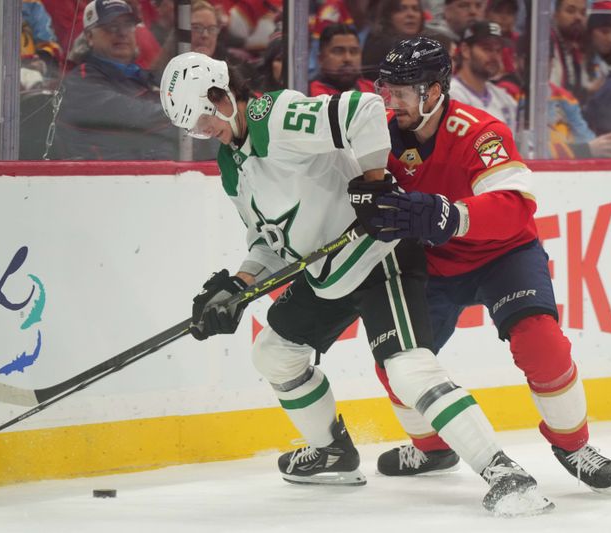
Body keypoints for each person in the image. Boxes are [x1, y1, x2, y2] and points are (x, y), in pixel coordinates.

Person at [160, 50, 554, 517]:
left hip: (378, 251)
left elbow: (363, 110)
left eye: (203, 120)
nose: (203, 133)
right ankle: (333, 452)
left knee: (408, 370)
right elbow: (269, 241)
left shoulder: (276, 116)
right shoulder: (233, 165)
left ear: (221, 95)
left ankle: (504, 471)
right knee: (274, 353)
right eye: (193, 129)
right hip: (328, 269)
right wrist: (237, 286)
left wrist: (374, 183)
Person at [349, 36, 611, 497]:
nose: (389, 100)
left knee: (542, 343)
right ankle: (433, 447)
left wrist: (450, 215)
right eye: (386, 88)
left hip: (502, 255)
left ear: (435, 91)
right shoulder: (375, 129)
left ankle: (573, 446)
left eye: (402, 90)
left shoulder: (481, 131)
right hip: (429, 262)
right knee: (395, 362)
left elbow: (516, 206)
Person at [51, 0, 175, 160]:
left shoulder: (141, 77)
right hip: (99, 180)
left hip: (148, 176)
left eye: (128, 25)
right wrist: (186, 113)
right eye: (111, 26)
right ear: (89, 37)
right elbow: (136, 115)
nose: (122, 33)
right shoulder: (80, 82)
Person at [449, 21, 518, 132]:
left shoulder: (504, 98)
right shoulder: (451, 95)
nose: (494, 56)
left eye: (498, 50)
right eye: (487, 49)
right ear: (465, 50)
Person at [309, 24, 375, 96]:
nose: (347, 58)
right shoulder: (308, 95)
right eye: (338, 51)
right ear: (321, 59)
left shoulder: (373, 90)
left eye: (353, 51)